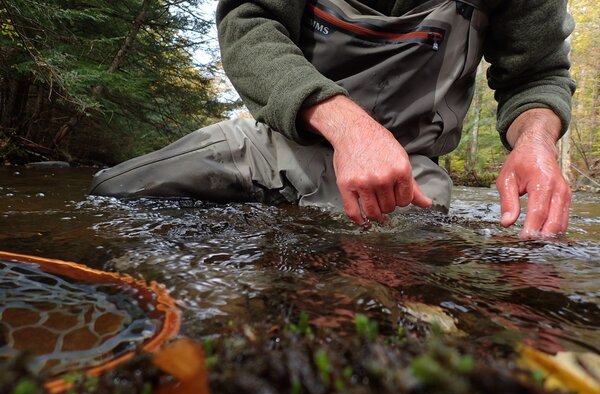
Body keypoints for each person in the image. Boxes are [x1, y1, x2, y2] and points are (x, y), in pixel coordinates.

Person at [90, 0, 576, 238]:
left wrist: (536, 140)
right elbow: (249, 22)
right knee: (113, 200)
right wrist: (348, 125)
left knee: (402, 269)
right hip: (271, 137)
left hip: (408, 174)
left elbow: (537, 75)